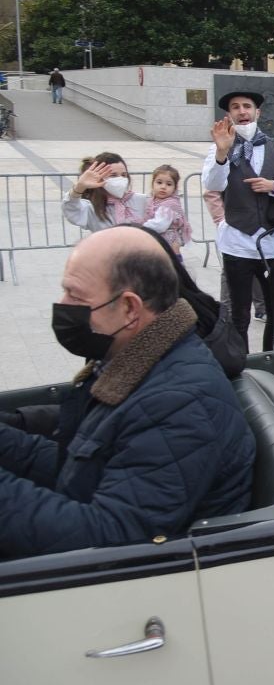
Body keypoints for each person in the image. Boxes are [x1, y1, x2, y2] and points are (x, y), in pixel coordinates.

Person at [0, 227, 254, 559]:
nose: (62, 306)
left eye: (75, 297)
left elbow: (110, 541)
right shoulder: (137, 365)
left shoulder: (178, 404)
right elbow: (78, 467)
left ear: (130, 309)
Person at [203, 90, 274, 345]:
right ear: (229, 115)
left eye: (247, 106)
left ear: (257, 112)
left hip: (270, 241)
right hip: (237, 242)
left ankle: (273, 357)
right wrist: (221, 154)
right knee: (239, 314)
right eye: (235, 107)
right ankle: (240, 364)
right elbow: (212, 183)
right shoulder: (220, 148)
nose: (242, 111)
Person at [63, 153, 159, 233]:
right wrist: (80, 186)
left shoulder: (141, 200)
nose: (120, 179)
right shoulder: (92, 208)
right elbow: (71, 208)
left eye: (124, 175)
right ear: (99, 178)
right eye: (113, 175)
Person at [145, 165, 191, 257]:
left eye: (169, 184)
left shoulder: (170, 204)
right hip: (158, 244)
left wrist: (139, 227)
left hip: (167, 246)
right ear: (152, 184)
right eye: (159, 182)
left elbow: (159, 224)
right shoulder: (153, 201)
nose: (163, 187)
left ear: (175, 188)